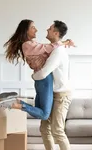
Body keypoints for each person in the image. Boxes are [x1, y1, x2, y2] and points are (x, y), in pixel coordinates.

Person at [0, 19, 74, 121]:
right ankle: (15, 104)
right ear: (26, 30)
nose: (36, 30)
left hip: (42, 80)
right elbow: (49, 47)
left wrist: (65, 42)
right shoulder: (27, 45)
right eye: (33, 27)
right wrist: (65, 42)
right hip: (44, 79)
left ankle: (16, 102)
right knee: (44, 115)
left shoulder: (31, 44)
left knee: (39, 111)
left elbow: (49, 47)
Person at [32, 21, 72, 150]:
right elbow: (57, 44)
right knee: (44, 129)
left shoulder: (58, 52)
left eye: (50, 28)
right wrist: (67, 41)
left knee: (57, 131)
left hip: (61, 95)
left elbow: (43, 73)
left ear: (56, 33)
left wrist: (33, 76)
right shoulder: (56, 48)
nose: (47, 30)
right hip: (51, 94)